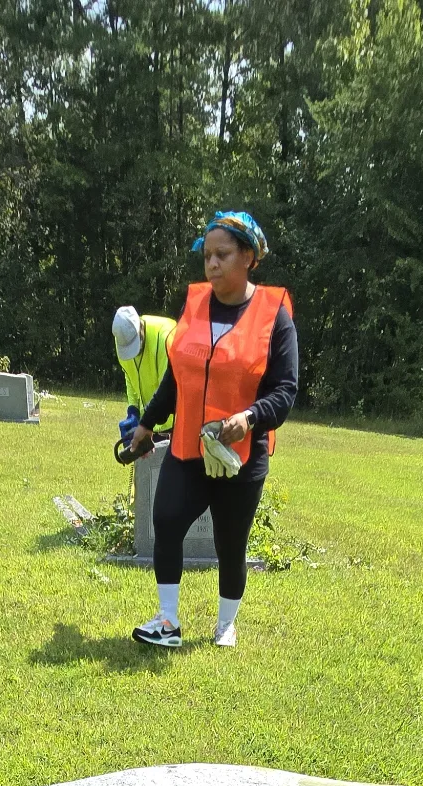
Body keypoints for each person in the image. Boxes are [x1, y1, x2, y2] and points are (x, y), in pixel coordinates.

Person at [125, 211, 297, 649]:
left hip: (239, 457)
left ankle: (225, 625)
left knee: (230, 543)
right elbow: (176, 377)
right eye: (207, 256)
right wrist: (146, 424)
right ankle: (168, 621)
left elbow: (285, 391)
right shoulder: (195, 304)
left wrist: (249, 418)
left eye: (223, 254)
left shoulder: (274, 316)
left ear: (249, 257)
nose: (213, 264)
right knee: (166, 519)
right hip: (187, 446)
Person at [112, 305, 175, 431]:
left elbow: (167, 391)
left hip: (173, 423)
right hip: (149, 422)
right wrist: (133, 410)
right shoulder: (123, 338)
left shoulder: (166, 337)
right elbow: (130, 375)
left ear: (140, 326)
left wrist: (146, 424)